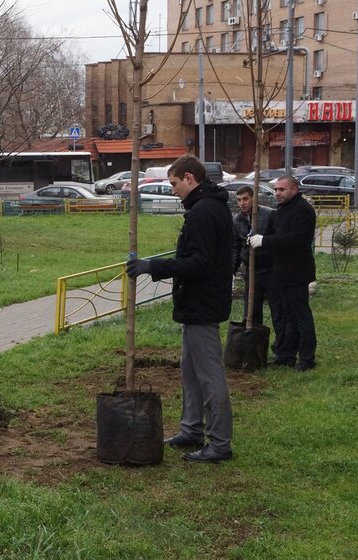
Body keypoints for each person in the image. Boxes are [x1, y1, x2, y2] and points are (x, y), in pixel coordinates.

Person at [126, 155, 234, 463]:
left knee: (209, 375)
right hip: (197, 303)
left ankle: (220, 443)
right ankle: (191, 429)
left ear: (190, 178)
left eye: (174, 183)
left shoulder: (203, 212)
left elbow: (199, 263)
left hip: (202, 304)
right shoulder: (208, 206)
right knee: (190, 371)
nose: (172, 190)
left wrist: (153, 266)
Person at [249, 175, 317, 371]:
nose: (277, 193)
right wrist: (257, 238)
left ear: (294, 189)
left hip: (296, 272)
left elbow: (295, 239)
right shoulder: (281, 211)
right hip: (280, 272)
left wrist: (265, 241)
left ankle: (307, 359)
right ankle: (286, 355)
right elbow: (275, 236)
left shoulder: (302, 210)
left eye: (282, 189)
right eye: (276, 189)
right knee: (287, 316)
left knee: (300, 316)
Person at [231, 185, 276, 326]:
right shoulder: (237, 220)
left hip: (270, 270)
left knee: (277, 309)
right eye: (239, 200)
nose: (242, 203)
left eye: (245, 199)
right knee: (251, 311)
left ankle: (282, 337)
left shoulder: (268, 215)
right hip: (251, 272)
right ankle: (252, 335)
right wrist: (232, 270)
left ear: (253, 198)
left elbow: (277, 240)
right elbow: (236, 246)